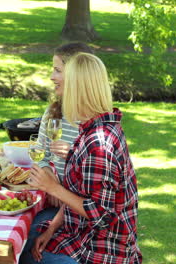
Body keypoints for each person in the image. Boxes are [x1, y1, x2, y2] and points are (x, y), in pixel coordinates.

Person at [24, 53, 142, 263]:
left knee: (22, 253)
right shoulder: (93, 128)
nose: (53, 79)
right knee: (29, 236)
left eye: (61, 74)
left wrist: (53, 188)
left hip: (102, 251)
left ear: (77, 87)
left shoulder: (98, 143)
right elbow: (82, 193)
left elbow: (102, 215)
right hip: (80, 233)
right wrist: (52, 229)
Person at [21, 42, 95, 257]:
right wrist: (50, 175)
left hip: (78, 212)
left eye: (58, 70)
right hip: (56, 206)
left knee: (29, 247)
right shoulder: (54, 112)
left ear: (76, 75)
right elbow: (40, 153)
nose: (52, 77)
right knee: (24, 240)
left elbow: (96, 199)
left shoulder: (96, 126)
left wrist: (58, 189)